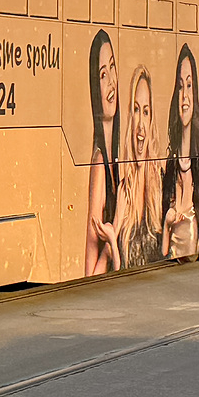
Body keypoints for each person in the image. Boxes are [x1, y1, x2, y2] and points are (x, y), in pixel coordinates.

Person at [162, 43, 199, 259]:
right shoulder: (168, 168)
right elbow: (163, 250)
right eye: (179, 87)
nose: (184, 97)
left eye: (189, 86)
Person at [117, 66, 166, 269]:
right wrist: (112, 237)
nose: (141, 126)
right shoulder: (122, 191)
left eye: (146, 112)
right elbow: (114, 266)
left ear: (152, 119)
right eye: (136, 110)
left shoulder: (163, 184)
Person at [83, 29, 122, 276]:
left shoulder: (116, 155)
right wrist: (114, 231)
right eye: (102, 75)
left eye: (112, 68)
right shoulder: (100, 163)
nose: (110, 82)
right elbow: (91, 273)